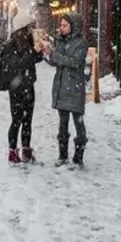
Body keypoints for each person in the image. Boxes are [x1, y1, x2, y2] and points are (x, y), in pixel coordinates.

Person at [40, 12, 89, 167]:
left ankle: (78, 156)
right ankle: (62, 156)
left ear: (73, 26)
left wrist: (54, 55)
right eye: (61, 25)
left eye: (64, 25)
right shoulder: (60, 41)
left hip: (74, 87)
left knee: (78, 122)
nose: (61, 28)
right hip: (61, 87)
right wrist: (46, 54)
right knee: (63, 124)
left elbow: (74, 62)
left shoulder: (81, 43)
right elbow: (56, 63)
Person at [0, 12, 44, 163]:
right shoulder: (11, 46)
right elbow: (18, 64)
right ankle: (12, 152)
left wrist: (40, 51)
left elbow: (32, 60)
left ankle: (26, 150)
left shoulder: (28, 42)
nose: (31, 30)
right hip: (16, 89)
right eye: (29, 27)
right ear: (22, 28)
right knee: (16, 120)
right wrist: (33, 52)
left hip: (28, 86)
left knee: (27, 121)